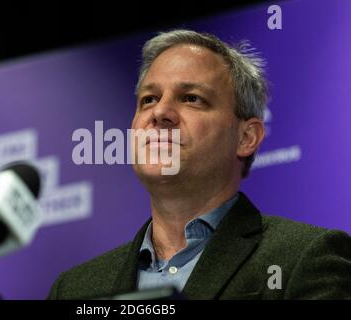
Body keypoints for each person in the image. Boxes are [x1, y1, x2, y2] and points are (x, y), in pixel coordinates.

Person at [48, 29, 351, 299]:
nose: (161, 112)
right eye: (149, 99)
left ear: (246, 137)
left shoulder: (303, 258)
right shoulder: (74, 289)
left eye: (191, 98)